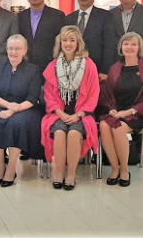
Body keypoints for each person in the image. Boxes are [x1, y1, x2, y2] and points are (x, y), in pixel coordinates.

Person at [0, 34, 42, 187]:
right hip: (0, 105)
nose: (14, 52)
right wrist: (7, 106)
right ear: (6, 50)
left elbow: (33, 98)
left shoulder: (33, 70)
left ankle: (11, 168)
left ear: (25, 50)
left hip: (25, 109)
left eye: (18, 48)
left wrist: (13, 110)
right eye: (11, 48)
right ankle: (1, 165)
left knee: (16, 123)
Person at [41, 26, 100, 191]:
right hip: (58, 113)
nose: (68, 43)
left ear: (78, 43)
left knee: (74, 133)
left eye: (72, 40)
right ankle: (58, 174)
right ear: (59, 43)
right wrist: (60, 113)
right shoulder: (52, 66)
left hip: (81, 114)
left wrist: (79, 114)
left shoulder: (89, 65)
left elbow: (94, 94)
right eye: (65, 40)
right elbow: (49, 95)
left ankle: (71, 175)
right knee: (59, 133)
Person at [99, 32, 143, 187]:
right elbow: (108, 94)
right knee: (104, 126)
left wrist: (130, 111)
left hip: (139, 113)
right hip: (118, 111)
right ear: (121, 47)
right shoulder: (115, 68)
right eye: (126, 44)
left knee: (117, 128)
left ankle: (124, 170)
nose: (129, 47)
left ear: (139, 48)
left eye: (133, 44)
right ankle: (115, 168)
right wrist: (111, 109)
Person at [65, 0, 118, 82]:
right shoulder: (68, 19)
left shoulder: (105, 16)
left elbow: (110, 45)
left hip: (96, 70)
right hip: (72, 70)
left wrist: (105, 70)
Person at [17, 0, 66, 75]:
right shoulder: (19, 17)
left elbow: (62, 42)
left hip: (49, 67)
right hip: (24, 67)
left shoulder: (57, 16)